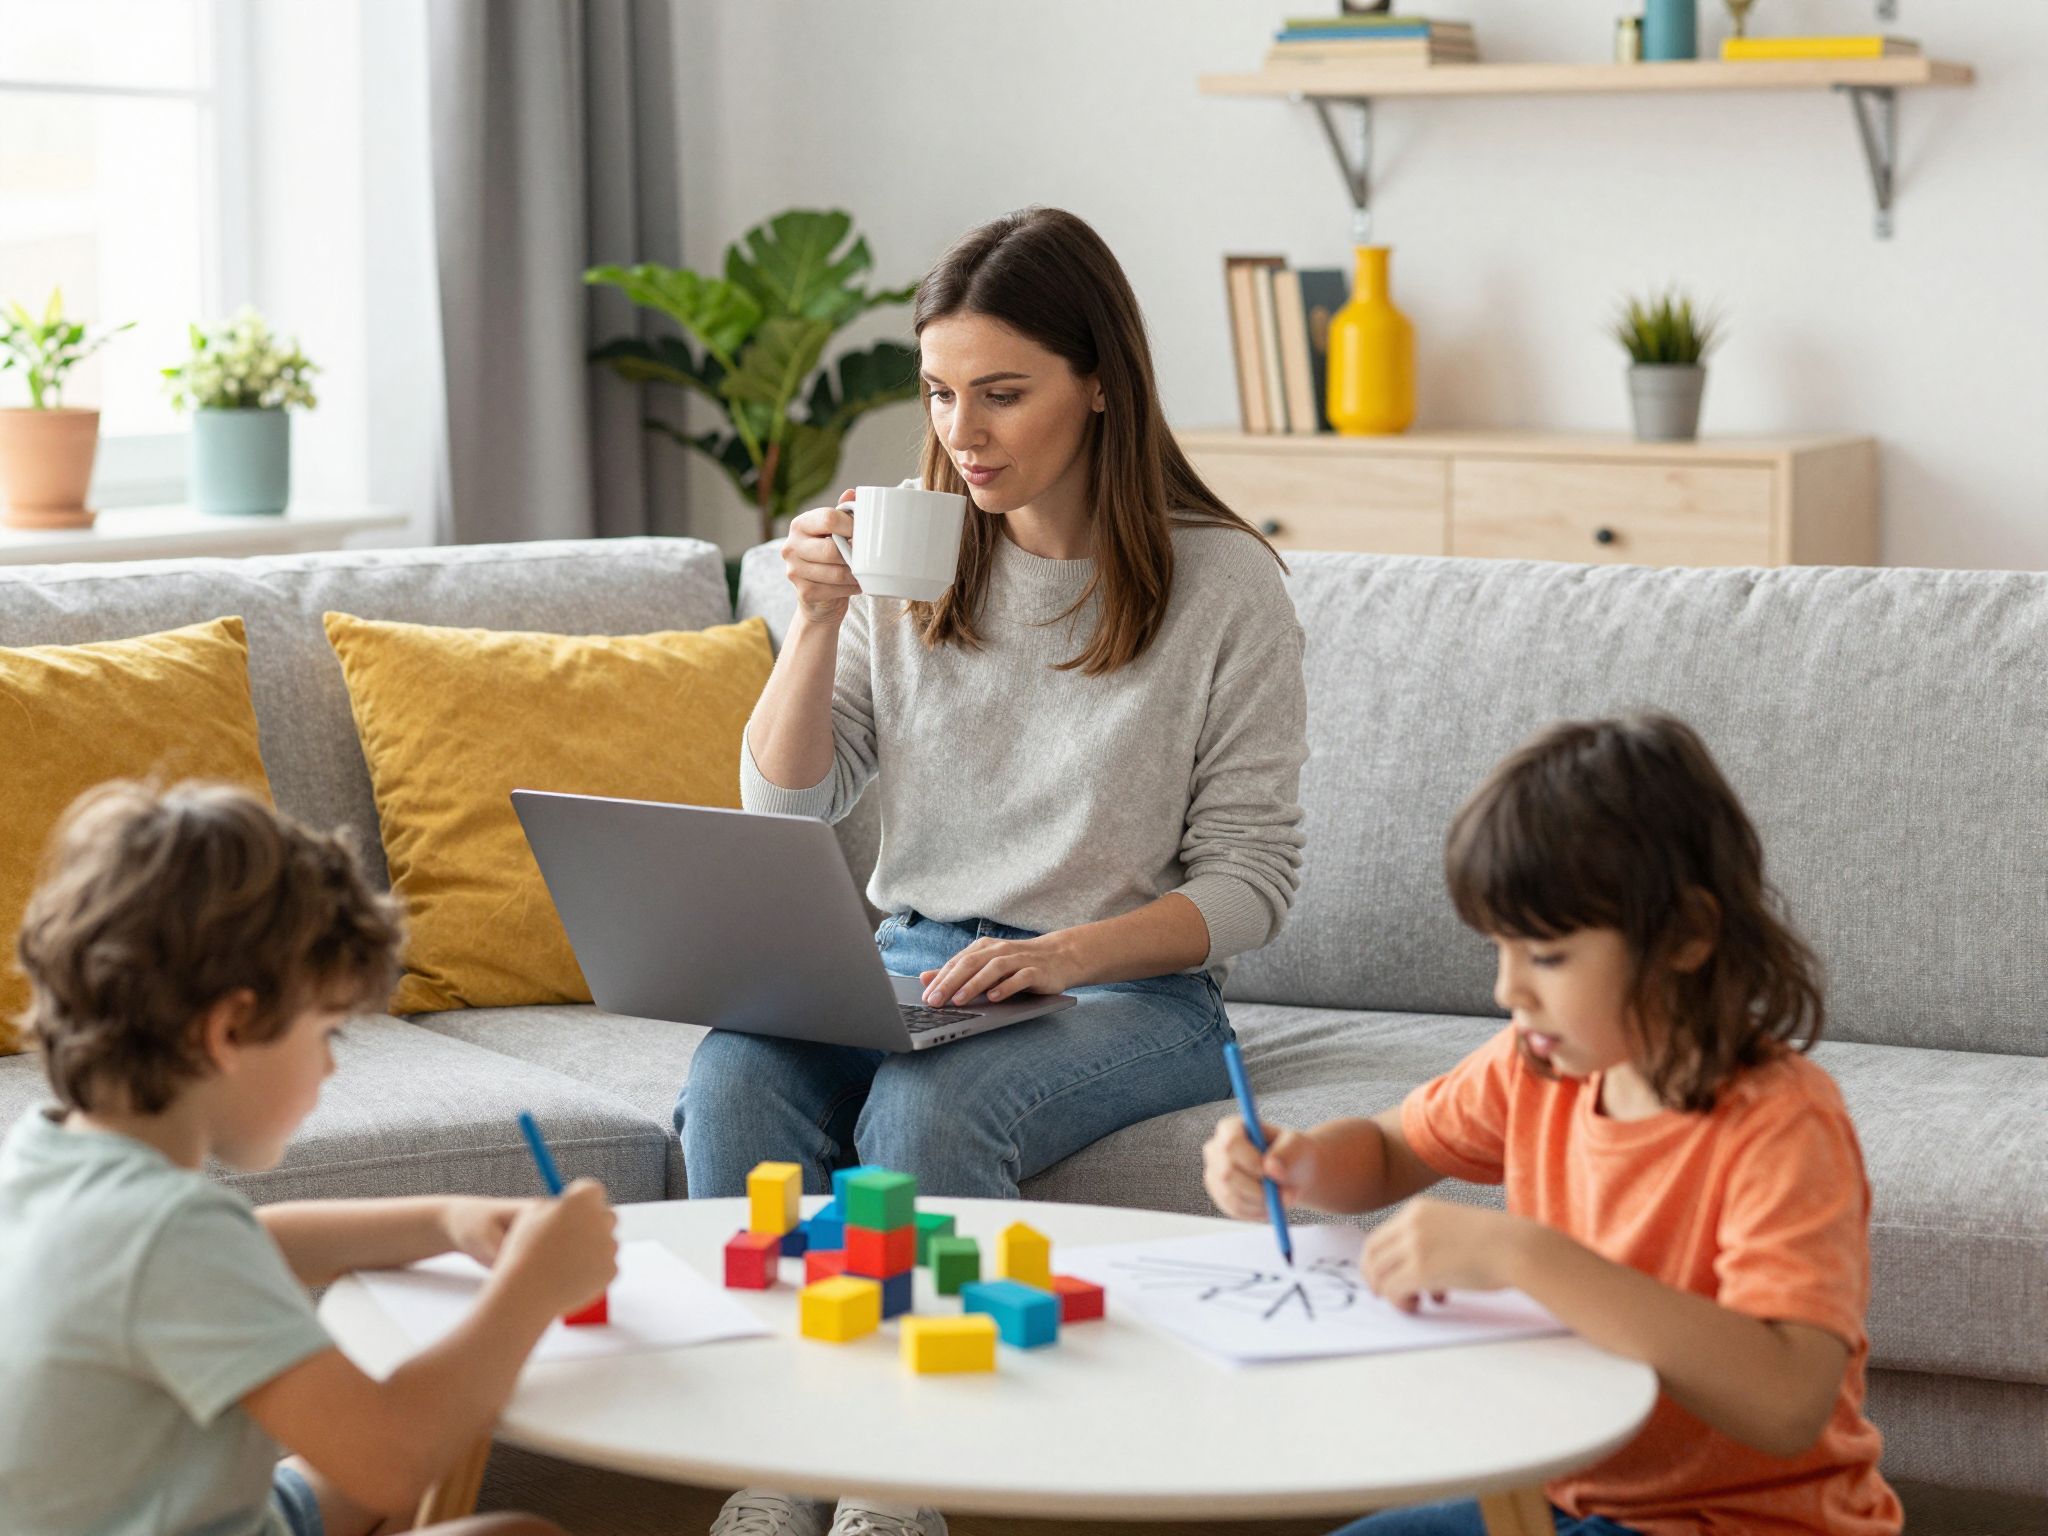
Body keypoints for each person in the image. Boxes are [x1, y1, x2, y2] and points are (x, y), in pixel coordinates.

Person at [679, 205, 1309, 1536]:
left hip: (1128, 991)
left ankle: (905, 1484)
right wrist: (814, 623)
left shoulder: (1225, 586)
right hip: (912, 953)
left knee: (922, 1120)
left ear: (1098, 383)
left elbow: (1251, 882)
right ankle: (781, 1453)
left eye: (1003, 395)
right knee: (733, 1075)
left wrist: (1065, 951)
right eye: (940, 394)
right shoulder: (914, 562)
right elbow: (789, 800)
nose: (963, 433)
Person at [1203, 714, 1902, 1536]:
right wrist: (1304, 1162)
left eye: (1548, 956)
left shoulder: (1783, 1126)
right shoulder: (1536, 1065)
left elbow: (1787, 1400)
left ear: (1685, 936)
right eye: (1500, 950)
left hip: (1749, 1523)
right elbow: (1394, 1150)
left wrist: (1525, 1256)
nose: (1509, 990)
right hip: (1561, 1497)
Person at [0, 780, 618, 1536]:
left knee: (378, 1470)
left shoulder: (53, 1155)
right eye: (327, 1034)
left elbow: (253, 1245)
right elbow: (390, 1454)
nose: (330, 1068)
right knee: (522, 1532)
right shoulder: (169, 1236)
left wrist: (447, 1219)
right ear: (230, 1030)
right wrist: (534, 1285)